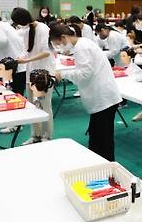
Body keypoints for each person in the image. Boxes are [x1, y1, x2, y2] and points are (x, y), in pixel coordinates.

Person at [51, 24, 121, 161]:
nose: (60, 47)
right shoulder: (84, 43)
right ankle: (100, 165)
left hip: (103, 99)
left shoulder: (81, 47)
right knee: (97, 138)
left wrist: (63, 75)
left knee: (102, 141)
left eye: (59, 44)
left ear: (64, 37)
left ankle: (107, 169)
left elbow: (85, 74)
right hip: (102, 97)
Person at [11, 7, 56, 145]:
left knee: (45, 105)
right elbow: (29, 51)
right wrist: (22, 58)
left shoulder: (42, 28)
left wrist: (26, 60)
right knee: (33, 106)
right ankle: (35, 135)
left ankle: (47, 137)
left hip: (44, 73)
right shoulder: (25, 30)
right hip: (31, 72)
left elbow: (45, 52)